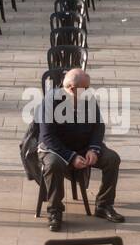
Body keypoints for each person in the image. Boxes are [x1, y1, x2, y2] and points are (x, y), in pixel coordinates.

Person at [37, 68, 124, 230]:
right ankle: (55, 210)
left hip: (83, 146)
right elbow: (47, 137)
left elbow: (99, 126)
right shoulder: (51, 101)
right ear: (71, 88)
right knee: (53, 164)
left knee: (112, 159)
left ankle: (104, 205)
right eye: (86, 88)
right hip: (55, 149)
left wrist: (94, 149)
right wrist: (71, 157)